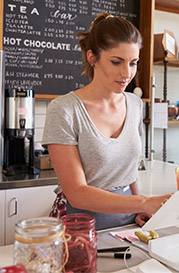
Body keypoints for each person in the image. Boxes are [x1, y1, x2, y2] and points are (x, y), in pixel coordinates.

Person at [42, 13, 171, 230]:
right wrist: (144, 202)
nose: (126, 73)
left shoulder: (135, 104)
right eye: (116, 62)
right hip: (78, 226)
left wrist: (140, 209)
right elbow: (77, 194)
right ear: (93, 58)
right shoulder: (64, 109)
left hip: (126, 224)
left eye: (133, 63)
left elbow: (129, 173)